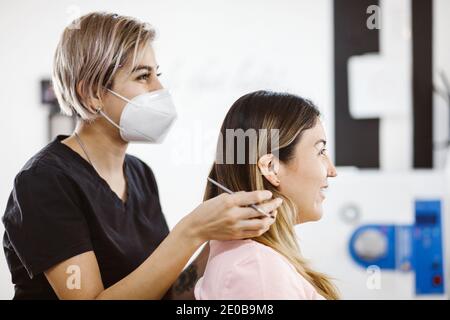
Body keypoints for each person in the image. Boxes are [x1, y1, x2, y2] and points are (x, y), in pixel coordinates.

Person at [2, 12, 283, 300]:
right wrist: (192, 230)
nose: (160, 90)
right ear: (91, 94)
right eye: (143, 76)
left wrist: (218, 236)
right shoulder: (45, 181)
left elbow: (165, 293)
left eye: (156, 75)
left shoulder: (139, 174)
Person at [195, 91, 340, 300]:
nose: (332, 170)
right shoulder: (258, 269)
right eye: (320, 151)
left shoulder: (253, 262)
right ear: (271, 168)